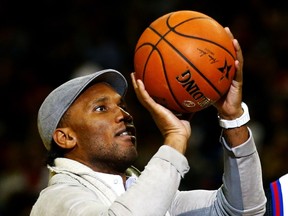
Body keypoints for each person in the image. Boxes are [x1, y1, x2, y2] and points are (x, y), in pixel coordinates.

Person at [30, 28, 266, 215]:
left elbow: (241, 210)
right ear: (66, 137)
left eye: (121, 105)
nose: (124, 114)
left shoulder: (144, 192)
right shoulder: (56, 201)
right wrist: (174, 140)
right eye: (101, 108)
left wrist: (232, 117)